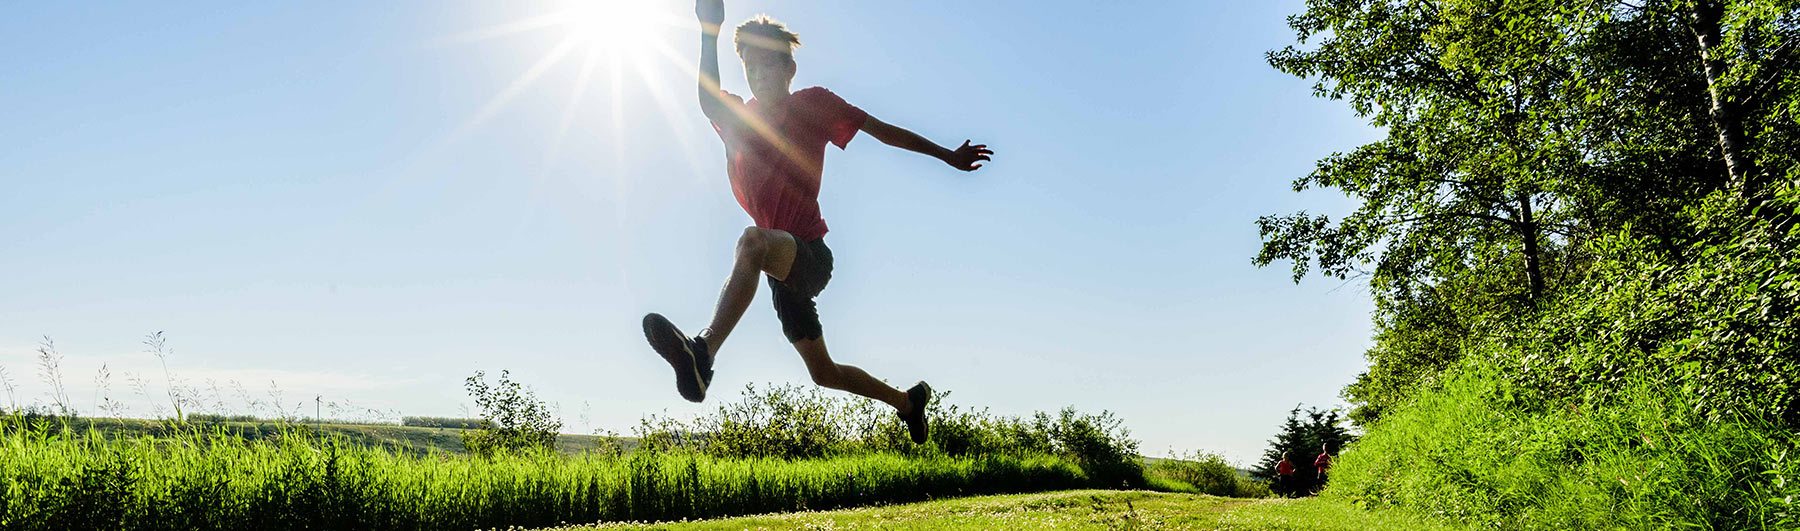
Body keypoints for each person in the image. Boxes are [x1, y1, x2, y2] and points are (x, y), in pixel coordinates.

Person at [642, 0, 994, 445]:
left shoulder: (816, 104)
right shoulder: (739, 120)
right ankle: (908, 403)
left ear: (789, 70)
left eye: (767, 66)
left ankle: (703, 354)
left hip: (809, 255)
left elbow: (884, 131)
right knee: (823, 373)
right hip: (778, 274)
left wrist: (948, 155)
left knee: (751, 242)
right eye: (749, 67)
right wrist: (708, 30)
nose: (757, 75)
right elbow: (707, 98)